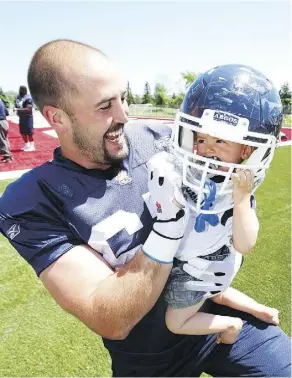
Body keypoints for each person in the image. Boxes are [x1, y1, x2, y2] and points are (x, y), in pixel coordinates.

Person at [0, 40, 290, 377]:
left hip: (206, 311)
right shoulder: (31, 199)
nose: (124, 114)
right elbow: (110, 318)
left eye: (123, 98)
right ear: (57, 118)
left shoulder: (155, 136)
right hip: (147, 358)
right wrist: (167, 227)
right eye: (105, 105)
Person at [161, 130, 279, 344]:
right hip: (200, 263)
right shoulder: (196, 175)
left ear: (245, 151)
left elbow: (245, 244)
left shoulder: (236, 191)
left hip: (205, 267)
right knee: (216, 294)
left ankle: (231, 325)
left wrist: (242, 198)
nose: (208, 148)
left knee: (174, 322)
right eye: (202, 140)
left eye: (220, 140)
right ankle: (262, 311)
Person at [14, 85, 35, 151]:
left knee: (29, 132)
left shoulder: (28, 98)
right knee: (23, 132)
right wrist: (17, 111)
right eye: (20, 89)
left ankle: (32, 146)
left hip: (28, 117)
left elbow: (28, 109)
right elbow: (17, 104)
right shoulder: (18, 97)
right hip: (21, 117)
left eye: (23, 89)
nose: (21, 91)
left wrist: (17, 109)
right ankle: (26, 144)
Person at [0, 98, 12, 163]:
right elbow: (7, 113)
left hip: (0, 122)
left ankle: (7, 157)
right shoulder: (2, 102)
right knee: (4, 139)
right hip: (4, 122)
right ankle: (7, 156)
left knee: (2, 140)